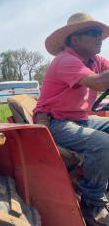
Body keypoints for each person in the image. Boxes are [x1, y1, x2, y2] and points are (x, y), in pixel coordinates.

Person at [33, 13, 109, 225]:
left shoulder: (96, 60)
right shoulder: (66, 60)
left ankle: (102, 182)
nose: (99, 38)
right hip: (55, 121)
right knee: (103, 144)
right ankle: (92, 204)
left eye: (100, 34)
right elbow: (99, 82)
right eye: (93, 33)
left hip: (81, 118)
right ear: (75, 39)